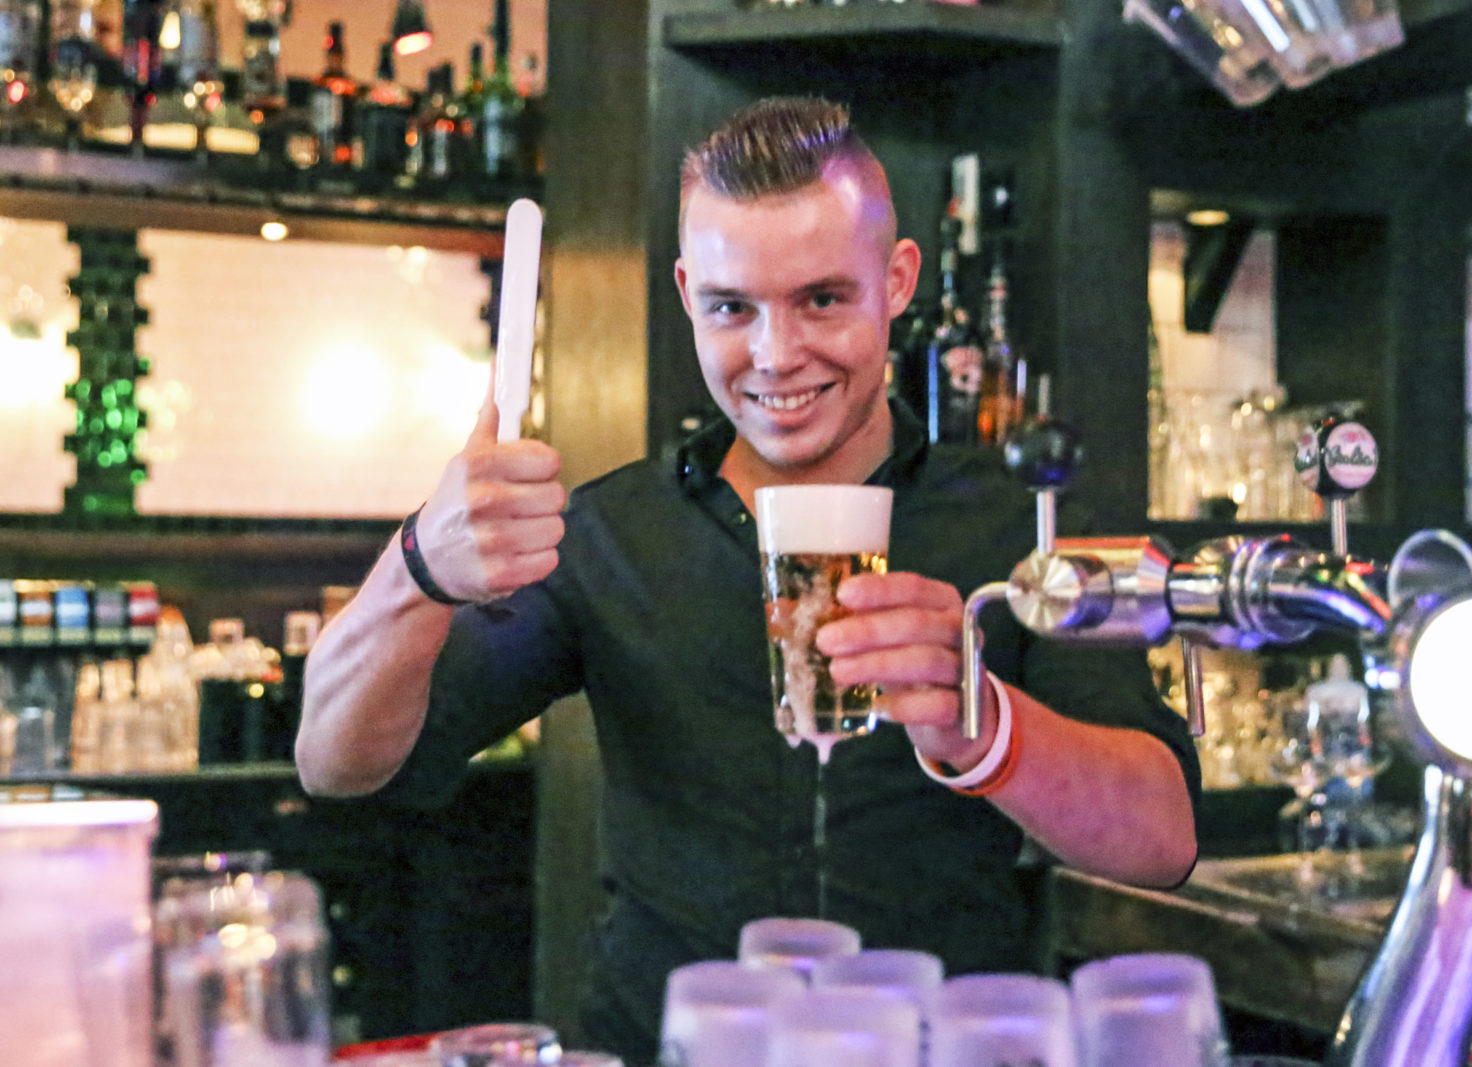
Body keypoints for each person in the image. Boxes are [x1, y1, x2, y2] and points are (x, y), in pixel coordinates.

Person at [297, 96, 1200, 1063]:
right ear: (689, 295)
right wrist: (417, 568)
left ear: (896, 282)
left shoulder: (1018, 528)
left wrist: (985, 726)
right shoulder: (610, 532)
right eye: (734, 307)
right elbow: (337, 762)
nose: (777, 355)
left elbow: (1163, 841)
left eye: (823, 300)